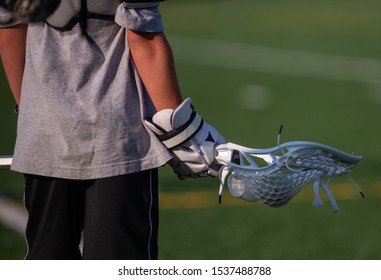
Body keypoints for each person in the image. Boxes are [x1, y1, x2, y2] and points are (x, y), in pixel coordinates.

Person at [0, 0, 225, 260]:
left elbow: (10, 32)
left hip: (43, 134)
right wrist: (182, 131)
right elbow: (145, 40)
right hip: (119, 138)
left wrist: (31, 112)